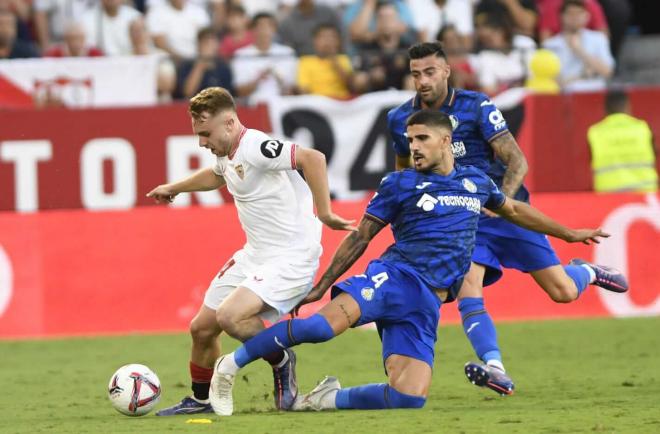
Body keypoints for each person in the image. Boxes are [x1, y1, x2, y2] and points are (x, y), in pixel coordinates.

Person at [208, 109, 627, 415]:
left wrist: (568, 233)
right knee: (319, 327)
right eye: (410, 141)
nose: (414, 147)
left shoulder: (476, 182)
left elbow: (515, 212)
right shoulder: (399, 183)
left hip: (428, 299)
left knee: (408, 398)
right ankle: (229, 367)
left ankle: (322, 398)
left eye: (422, 139)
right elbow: (361, 236)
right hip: (394, 277)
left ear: (447, 141)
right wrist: (323, 284)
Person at [387, 41, 627, 396]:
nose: (422, 80)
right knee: (469, 284)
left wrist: (502, 201)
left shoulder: (476, 105)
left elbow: (517, 160)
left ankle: (588, 271)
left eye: (430, 72)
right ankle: (495, 367)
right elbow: (406, 175)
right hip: (460, 219)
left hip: (506, 210)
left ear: (446, 71)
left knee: (562, 291)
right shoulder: (401, 120)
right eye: (416, 74)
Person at [148, 86, 355, 416]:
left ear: (229, 123)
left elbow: (312, 158)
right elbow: (218, 175)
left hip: (292, 256)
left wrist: (326, 212)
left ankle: (282, 359)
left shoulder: (256, 146)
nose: (202, 142)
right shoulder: (226, 151)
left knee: (231, 317)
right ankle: (201, 400)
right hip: (256, 254)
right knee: (201, 328)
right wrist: (175, 188)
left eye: (205, 134)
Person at [587, 89, 658, 193]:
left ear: (605, 109)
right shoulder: (643, 128)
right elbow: (654, 154)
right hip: (645, 195)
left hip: (608, 198)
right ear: (627, 106)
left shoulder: (595, 133)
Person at [542, 0, 614, 92]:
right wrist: (581, 76)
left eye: (579, 13)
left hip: (595, 93)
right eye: (571, 13)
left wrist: (580, 51)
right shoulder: (550, 45)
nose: (575, 17)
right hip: (565, 96)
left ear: (587, 16)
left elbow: (608, 71)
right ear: (561, 16)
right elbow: (552, 81)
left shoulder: (599, 39)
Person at [232, 12, 298, 104]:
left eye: (269, 26)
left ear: (274, 29)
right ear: (253, 30)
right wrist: (258, 80)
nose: (265, 31)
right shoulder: (241, 55)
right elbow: (240, 91)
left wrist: (278, 78)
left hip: (283, 104)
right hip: (253, 104)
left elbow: (292, 91)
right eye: (261, 26)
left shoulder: (287, 53)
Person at [296, 23, 357, 99]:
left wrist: (335, 62)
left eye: (332, 37)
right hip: (317, 101)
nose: (328, 41)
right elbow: (304, 88)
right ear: (315, 41)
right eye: (324, 37)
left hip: (342, 100)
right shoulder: (305, 61)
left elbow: (352, 86)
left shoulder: (343, 59)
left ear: (339, 42)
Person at [176, 28, 233, 99]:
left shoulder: (223, 67)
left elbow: (228, 95)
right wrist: (199, 67)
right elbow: (187, 93)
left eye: (213, 43)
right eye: (206, 43)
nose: (209, 47)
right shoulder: (187, 65)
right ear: (198, 45)